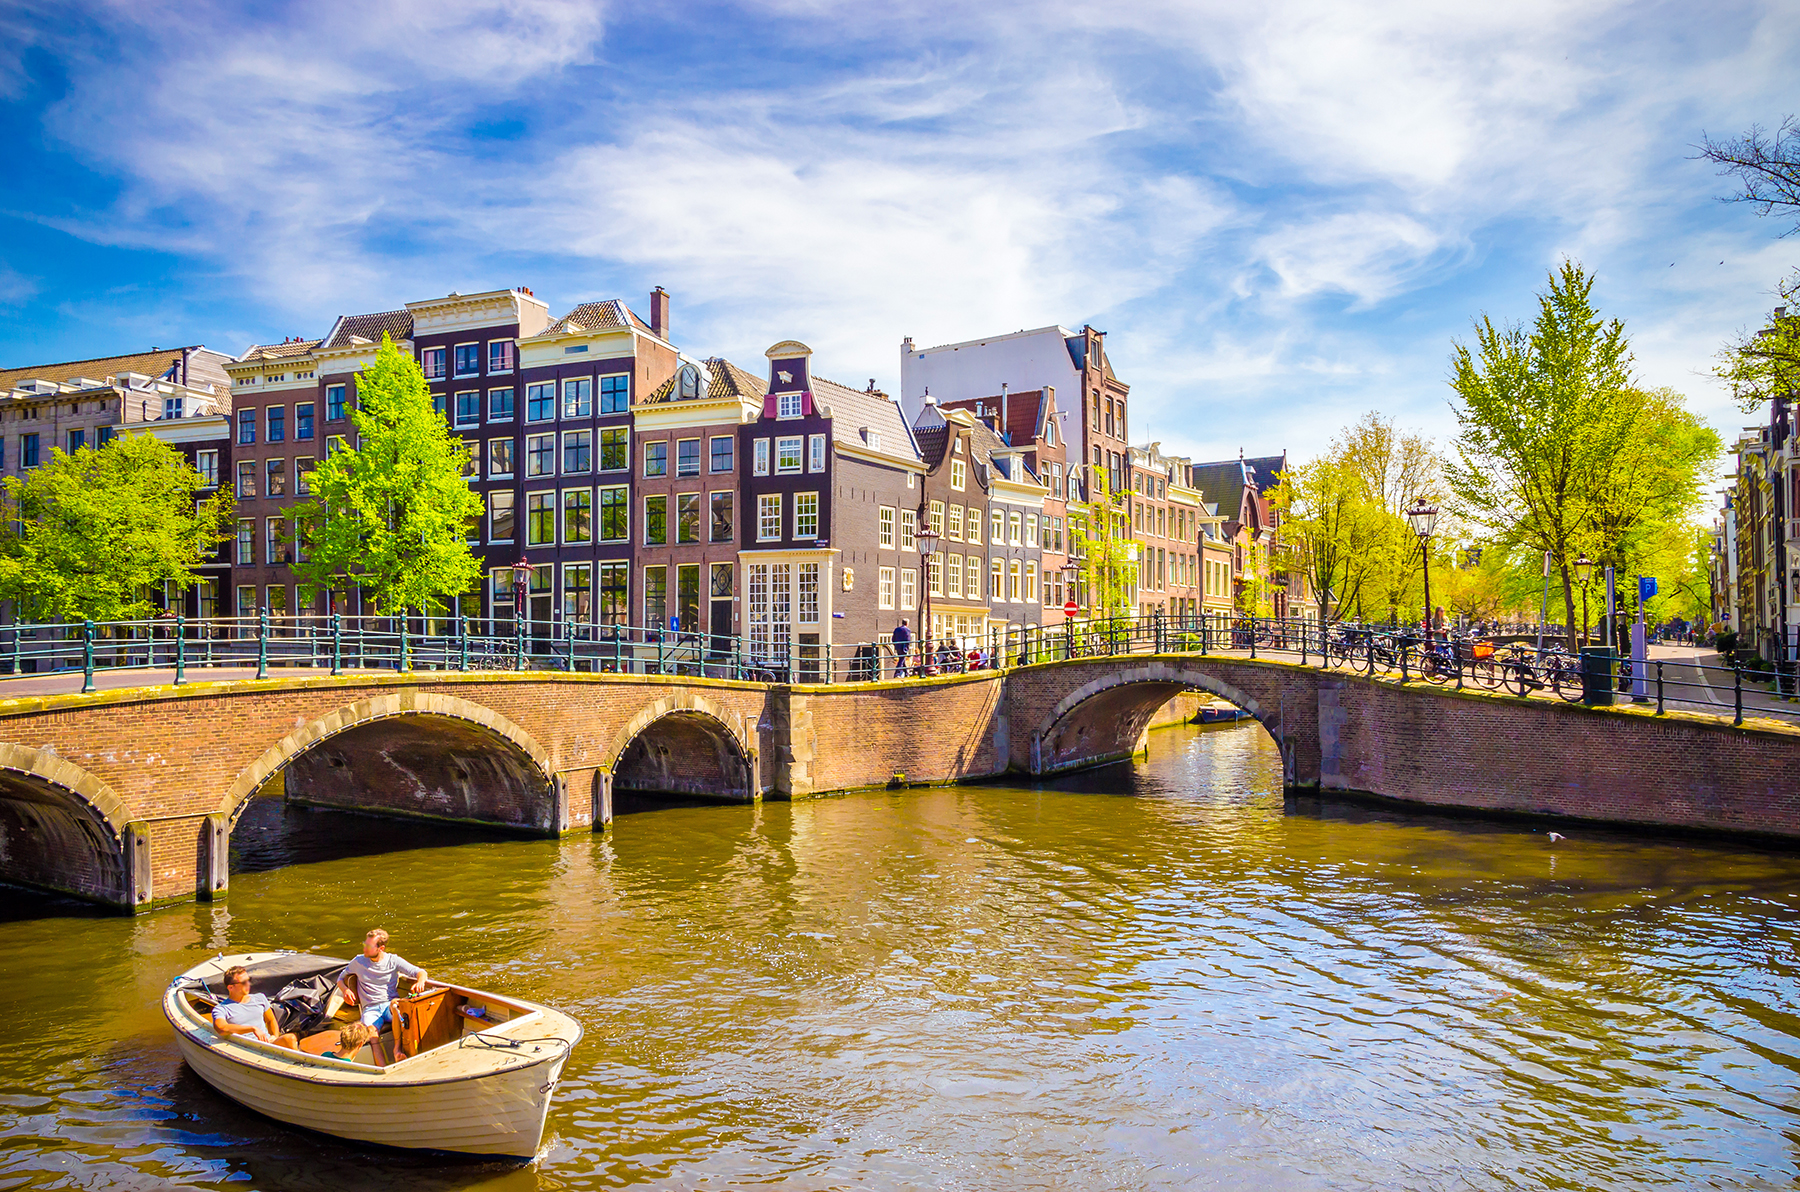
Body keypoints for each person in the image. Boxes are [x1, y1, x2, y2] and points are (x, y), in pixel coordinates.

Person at [335, 928, 429, 1034]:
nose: (365, 949)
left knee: (409, 1020)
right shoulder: (358, 961)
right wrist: (345, 990)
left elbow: (420, 972)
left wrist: (420, 981)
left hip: (390, 1005)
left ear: (381, 948)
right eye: (364, 944)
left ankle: (402, 1048)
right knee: (368, 1032)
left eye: (369, 946)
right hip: (370, 1008)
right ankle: (377, 1050)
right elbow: (340, 979)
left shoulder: (393, 960)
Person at [212, 965, 299, 1049]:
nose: (248, 984)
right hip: (246, 1048)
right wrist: (252, 1028)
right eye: (243, 982)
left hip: (267, 1044)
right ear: (230, 987)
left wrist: (274, 1037)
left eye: (248, 980)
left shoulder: (260, 998)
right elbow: (221, 1028)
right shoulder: (222, 1008)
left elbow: (271, 1020)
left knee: (290, 1039)